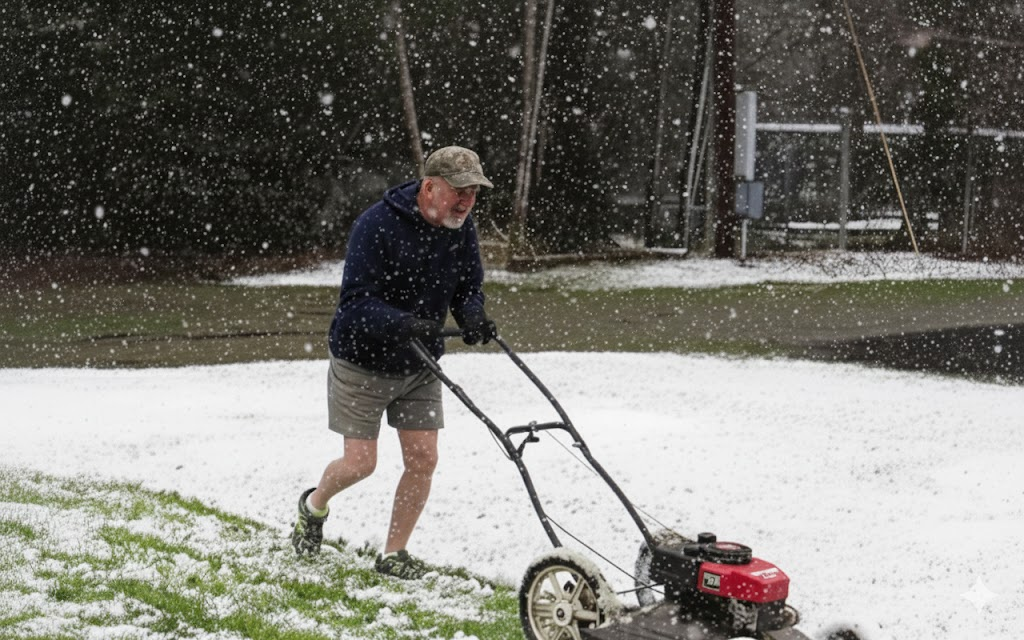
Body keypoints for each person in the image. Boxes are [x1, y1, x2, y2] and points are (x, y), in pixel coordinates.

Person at [290, 146, 498, 579]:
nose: (466, 201)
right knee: (360, 464)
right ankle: (313, 506)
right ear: (430, 187)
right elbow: (355, 305)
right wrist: (402, 323)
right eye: (459, 191)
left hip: (419, 364)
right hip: (361, 361)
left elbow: (467, 287)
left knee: (423, 459)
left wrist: (473, 315)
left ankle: (393, 554)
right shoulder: (376, 225)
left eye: (474, 193)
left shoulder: (461, 229)